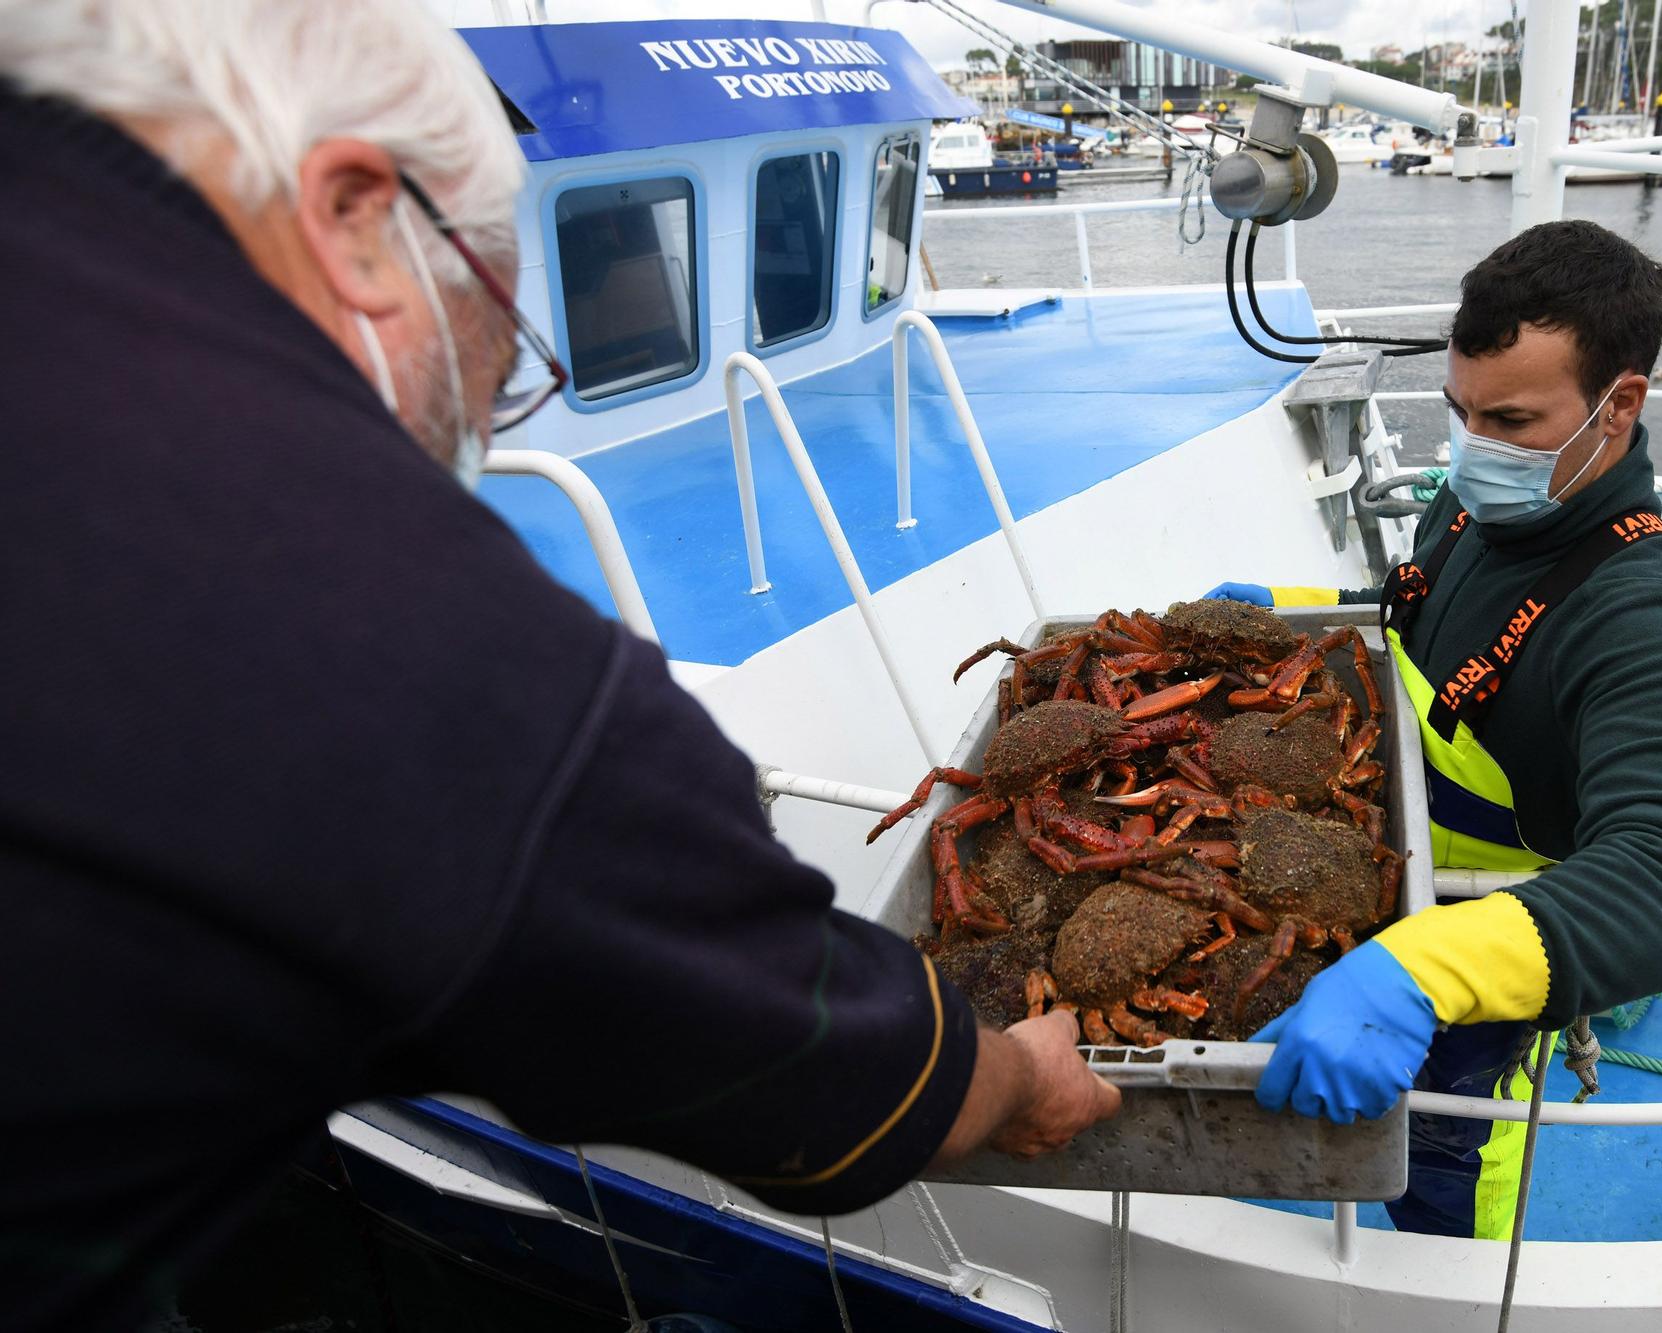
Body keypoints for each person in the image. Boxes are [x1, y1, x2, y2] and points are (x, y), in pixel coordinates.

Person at [0, 5, 1117, 1329]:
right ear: (357, 214)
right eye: (504, 349)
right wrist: (1025, 1079)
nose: (479, 416)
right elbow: (826, 1080)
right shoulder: (378, 615)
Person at [1208, 220, 1662, 1239]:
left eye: (1510, 419)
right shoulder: (1482, 496)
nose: (1471, 447)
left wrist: (1422, 968)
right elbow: (1419, 614)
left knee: (1450, 1150)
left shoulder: (1638, 611)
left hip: (1482, 929)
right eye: (1458, 413)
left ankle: (1458, 1284)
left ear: (1618, 403)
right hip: (1382, 847)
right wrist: (1294, 607)